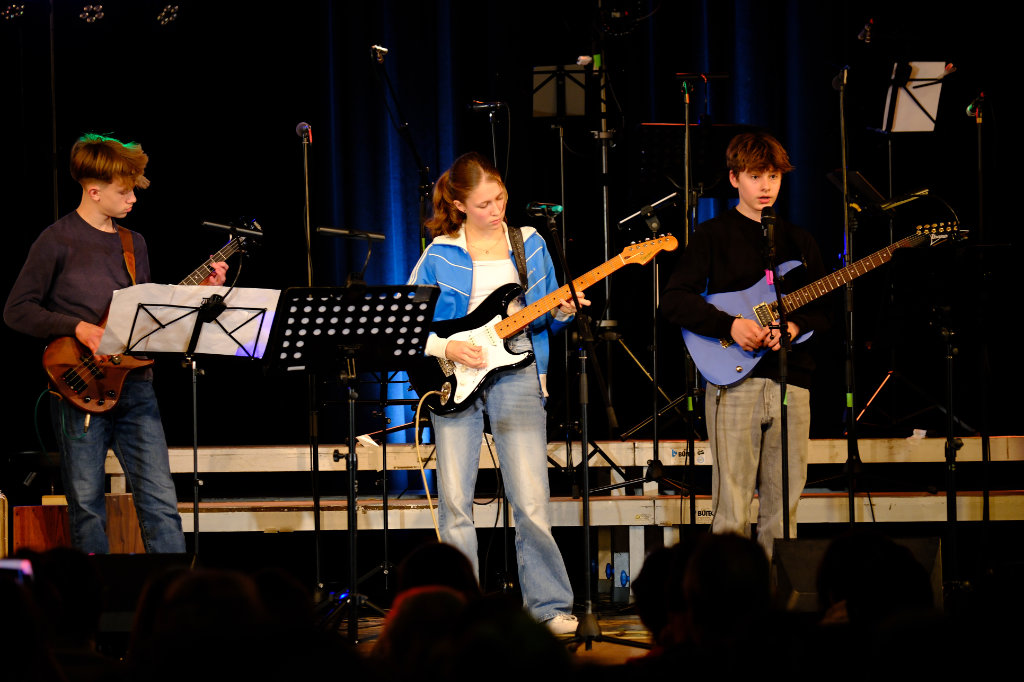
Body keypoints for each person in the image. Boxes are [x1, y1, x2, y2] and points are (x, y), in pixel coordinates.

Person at [4, 133, 227, 554]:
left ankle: (171, 590)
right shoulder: (56, 240)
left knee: (160, 501)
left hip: (136, 385)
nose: (133, 199)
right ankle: (94, 591)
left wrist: (200, 295)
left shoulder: (133, 243)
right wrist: (78, 328)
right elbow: (17, 310)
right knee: (87, 505)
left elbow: (148, 318)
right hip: (78, 388)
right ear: (94, 191)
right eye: (124, 192)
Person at [408, 151, 586, 634]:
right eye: (484, 204)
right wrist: (448, 346)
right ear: (459, 205)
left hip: (519, 370)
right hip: (454, 375)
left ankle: (549, 607)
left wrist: (563, 311)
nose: (496, 210)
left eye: (501, 199)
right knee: (455, 503)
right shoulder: (438, 253)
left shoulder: (529, 242)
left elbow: (545, 316)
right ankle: (457, 611)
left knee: (531, 499)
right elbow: (409, 326)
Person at [661, 131, 828, 558]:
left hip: (792, 381)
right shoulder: (712, 235)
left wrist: (794, 327)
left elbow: (823, 312)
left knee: (784, 507)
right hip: (733, 381)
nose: (766, 186)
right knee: (731, 507)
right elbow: (674, 300)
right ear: (735, 178)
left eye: (773, 176)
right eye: (755, 176)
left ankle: (777, 592)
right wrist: (730, 326)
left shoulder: (800, 240)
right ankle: (728, 592)